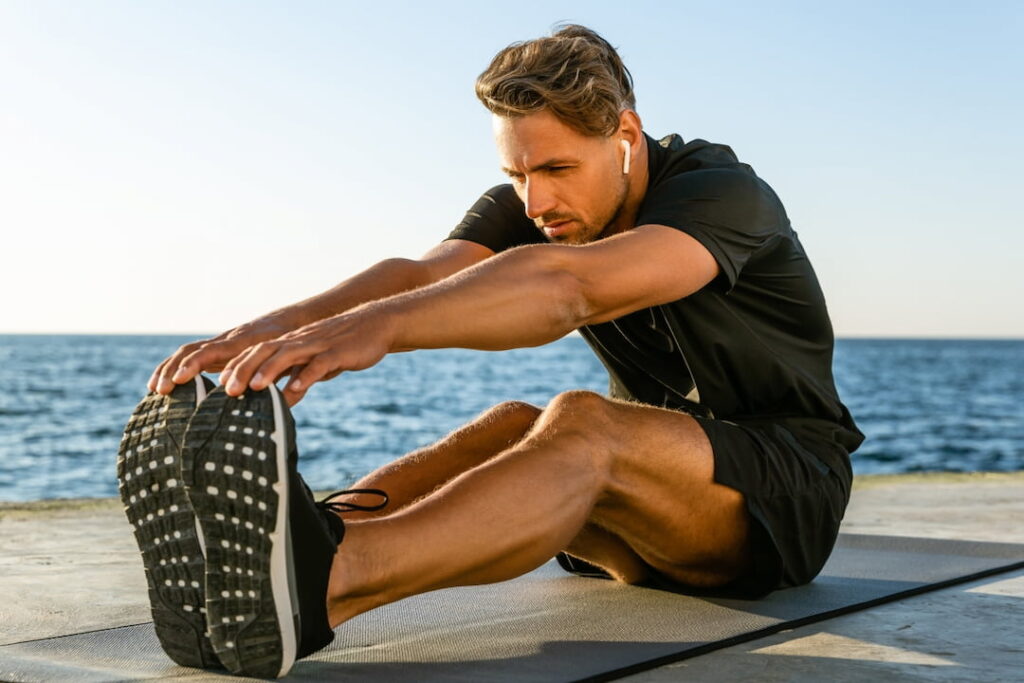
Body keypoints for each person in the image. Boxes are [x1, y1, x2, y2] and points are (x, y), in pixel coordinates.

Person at [117, 24, 863, 678]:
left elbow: (571, 289)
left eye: (557, 170)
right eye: (518, 174)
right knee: (516, 422)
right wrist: (273, 330)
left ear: (626, 137)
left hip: (783, 496)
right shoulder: (537, 205)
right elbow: (420, 276)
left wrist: (376, 332)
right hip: (652, 503)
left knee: (582, 421)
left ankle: (325, 584)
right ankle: (293, 541)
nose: (535, 203)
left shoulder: (719, 192)